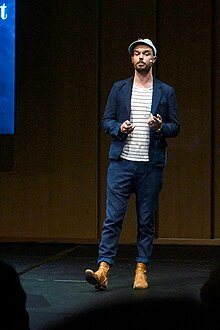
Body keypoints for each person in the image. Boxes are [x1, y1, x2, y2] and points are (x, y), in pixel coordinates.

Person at [85, 37, 180, 290]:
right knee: (112, 218)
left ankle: (141, 270)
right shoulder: (119, 88)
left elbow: (175, 127)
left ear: (153, 59)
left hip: (150, 166)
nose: (140, 57)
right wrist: (119, 127)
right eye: (137, 53)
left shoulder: (165, 91)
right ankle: (103, 269)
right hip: (121, 163)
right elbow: (106, 121)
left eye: (145, 53)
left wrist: (160, 127)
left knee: (146, 219)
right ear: (131, 59)